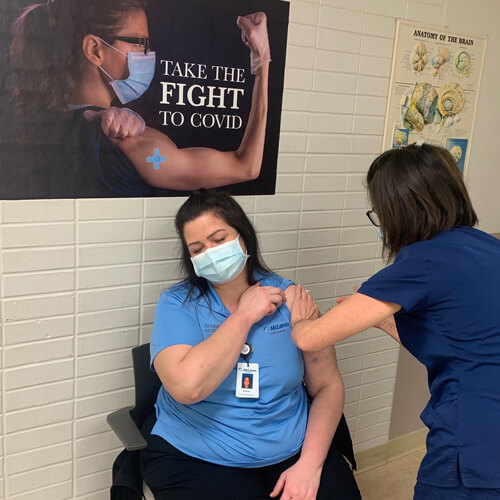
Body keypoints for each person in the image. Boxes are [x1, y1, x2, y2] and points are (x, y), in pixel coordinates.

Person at [291, 143, 500, 500]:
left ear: (397, 209)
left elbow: (311, 338)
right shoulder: (485, 247)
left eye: (378, 212)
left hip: (476, 436)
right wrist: (384, 322)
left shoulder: (421, 262)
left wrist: (299, 318)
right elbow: (458, 342)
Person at [142, 190, 361, 500]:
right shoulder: (177, 304)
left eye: (218, 239)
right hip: (199, 454)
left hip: (292, 448)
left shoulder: (290, 299)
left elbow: (327, 386)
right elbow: (187, 388)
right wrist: (244, 315)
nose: (210, 252)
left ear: (243, 236)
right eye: (197, 248)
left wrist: (309, 466)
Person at [9, 0, 269, 198]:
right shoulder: (130, 141)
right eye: (140, 43)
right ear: (95, 50)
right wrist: (262, 62)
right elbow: (245, 167)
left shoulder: (37, 127)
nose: (149, 53)